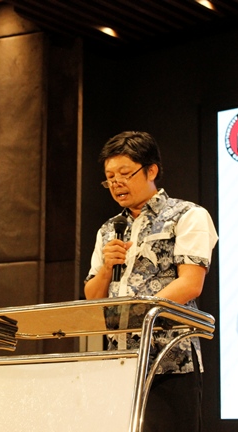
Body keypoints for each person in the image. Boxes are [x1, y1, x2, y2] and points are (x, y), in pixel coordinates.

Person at [84, 131, 218, 432]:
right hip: (119, 363)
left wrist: (135, 315)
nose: (116, 183)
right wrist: (106, 268)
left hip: (170, 362)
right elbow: (93, 296)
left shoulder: (188, 215)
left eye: (125, 174)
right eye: (110, 177)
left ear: (151, 170)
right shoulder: (109, 229)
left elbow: (190, 284)